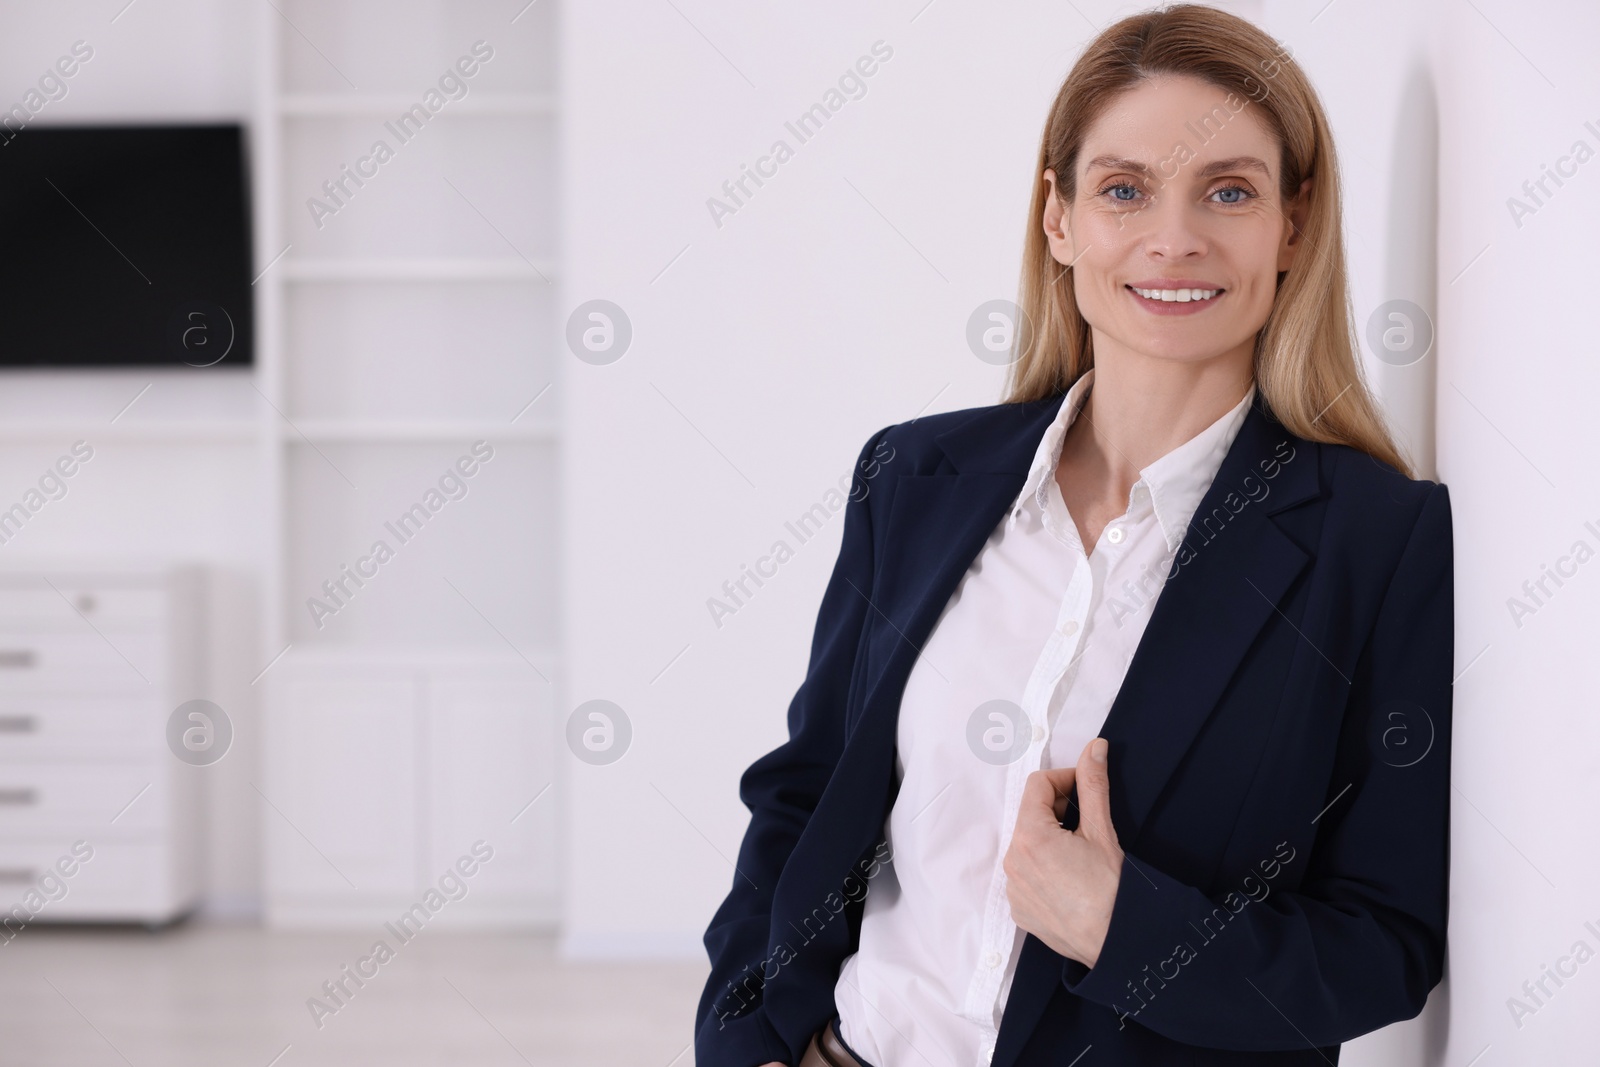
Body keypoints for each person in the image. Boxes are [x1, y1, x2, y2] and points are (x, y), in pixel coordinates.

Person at [696, 6, 1453, 1065]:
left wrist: (1120, 927)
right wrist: (745, 1033)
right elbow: (805, 792)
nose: (1174, 236)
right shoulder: (913, 479)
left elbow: (1383, 942)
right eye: (1123, 189)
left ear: (1291, 224)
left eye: (1227, 191)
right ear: (1058, 218)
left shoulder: (1376, 542)